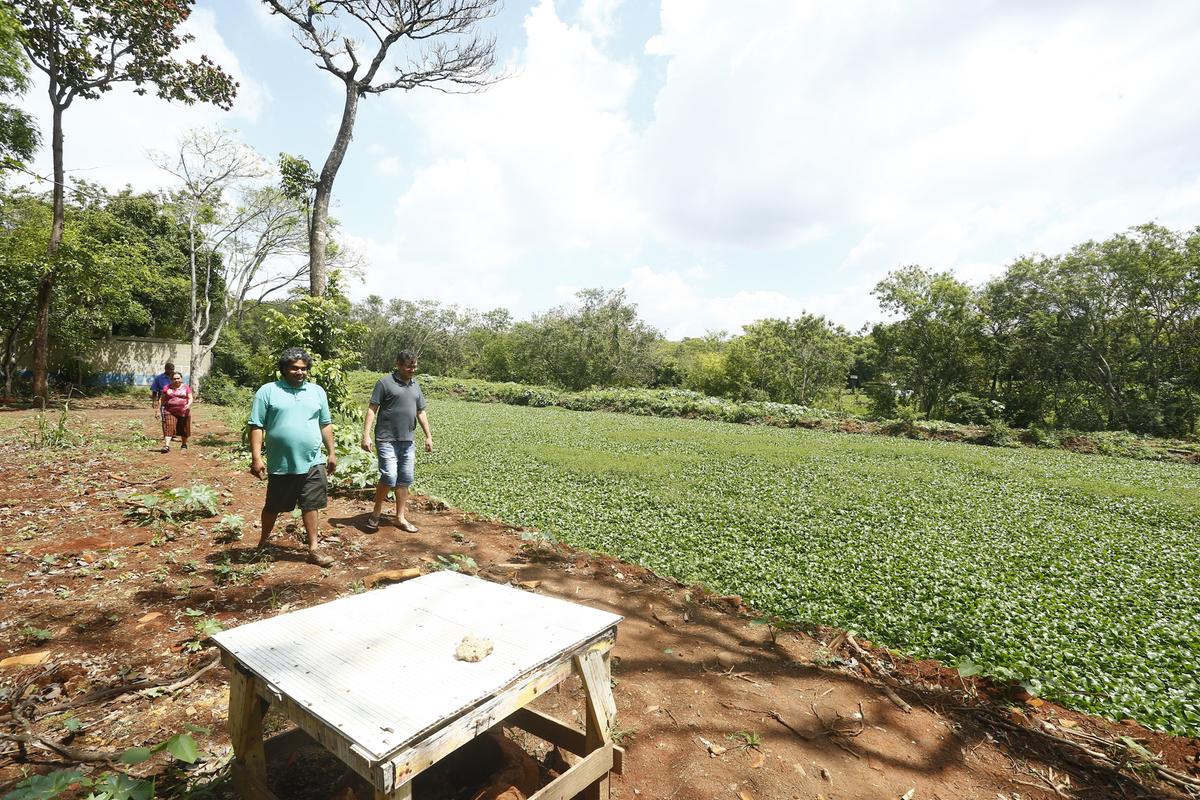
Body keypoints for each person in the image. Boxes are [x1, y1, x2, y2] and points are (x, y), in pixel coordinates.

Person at [248, 347, 337, 567]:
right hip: (282, 462)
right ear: (284, 369)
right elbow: (257, 425)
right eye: (295, 368)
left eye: (304, 369)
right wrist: (256, 458)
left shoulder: (317, 392)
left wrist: (332, 453)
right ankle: (263, 543)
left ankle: (314, 549)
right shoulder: (268, 391)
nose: (300, 372)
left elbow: (325, 424)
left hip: (313, 460)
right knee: (273, 506)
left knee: (311, 504)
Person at [360, 350, 433, 533]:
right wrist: (366, 435)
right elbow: (372, 409)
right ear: (398, 364)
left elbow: (421, 412)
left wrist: (428, 436)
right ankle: (376, 513)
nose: (412, 369)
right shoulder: (384, 383)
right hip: (386, 439)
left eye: (415, 366)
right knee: (389, 476)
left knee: (405, 479)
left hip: (408, 440)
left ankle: (400, 517)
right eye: (409, 366)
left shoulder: (416, 386)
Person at [157, 371, 193, 453]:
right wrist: (157, 411)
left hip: (184, 411)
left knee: (184, 429)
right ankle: (166, 446)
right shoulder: (167, 388)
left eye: (178, 378)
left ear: (181, 379)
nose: (176, 380)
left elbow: (190, 398)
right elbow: (161, 400)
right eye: (174, 379)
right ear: (171, 380)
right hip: (169, 411)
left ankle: (184, 444)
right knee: (168, 427)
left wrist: (188, 404)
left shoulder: (186, 387)